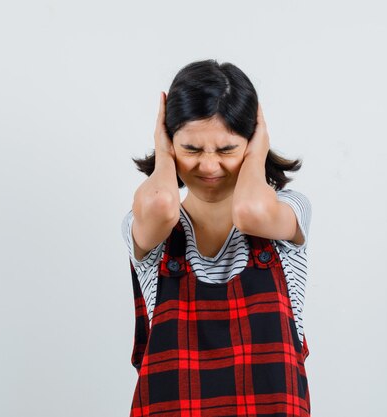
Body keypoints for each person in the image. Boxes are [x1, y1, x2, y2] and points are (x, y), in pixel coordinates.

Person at [121, 59, 312, 417]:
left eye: (226, 150)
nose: (209, 167)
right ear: (169, 142)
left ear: (253, 142)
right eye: (191, 149)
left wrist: (258, 151)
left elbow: (250, 212)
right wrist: (163, 154)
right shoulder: (149, 224)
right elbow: (164, 203)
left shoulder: (287, 212)